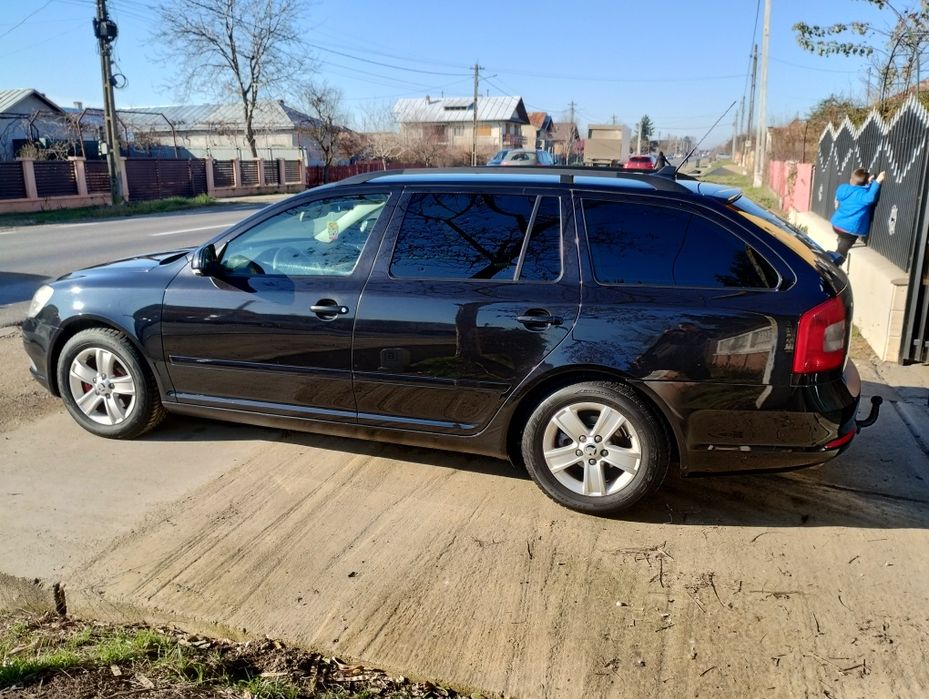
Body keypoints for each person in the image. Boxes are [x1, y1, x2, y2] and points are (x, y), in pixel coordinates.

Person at [830, 167, 885, 264]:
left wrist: (868, 184)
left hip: (836, 224)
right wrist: (877, 182)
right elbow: (870, 196)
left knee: (842, 242)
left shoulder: (843, 188)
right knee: (841, 252)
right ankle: (833, 266)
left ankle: (840, 241)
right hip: (849, 230)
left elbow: (856, 190)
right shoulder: (862, 195)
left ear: (851, 179)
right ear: (865, 183)